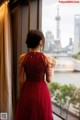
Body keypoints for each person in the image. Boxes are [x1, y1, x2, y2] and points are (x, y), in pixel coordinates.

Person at [15, 30, 56, 120]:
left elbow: (21, 80)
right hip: (42, 92)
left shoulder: (23, 57)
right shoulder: (47, 58)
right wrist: (53, 67)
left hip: (27, 90)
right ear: (40, 42)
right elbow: (49, 79)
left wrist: (22, 94)